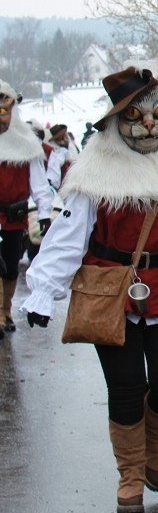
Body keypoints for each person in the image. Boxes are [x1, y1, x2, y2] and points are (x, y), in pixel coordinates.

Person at [22, 66, 158, 513]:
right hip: (109, 290)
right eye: (134, 117)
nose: (147, 125)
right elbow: (69, 235)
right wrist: (44, 290)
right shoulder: (95, 175)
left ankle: (151, 444)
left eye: (157, 114)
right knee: (126, 387)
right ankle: (130, 474)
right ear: (113, 124)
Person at [0, 80, 54, 337]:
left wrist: (44, 212)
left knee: (10, 266)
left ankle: (6, 309)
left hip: (14, 216)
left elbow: (39, 184)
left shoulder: (25, 144)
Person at [45, 123, 75, 189]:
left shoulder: (70, 149)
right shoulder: (57, 154)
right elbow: (54, 175)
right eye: (60, 138)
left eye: (65, 136)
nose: (64, 139)